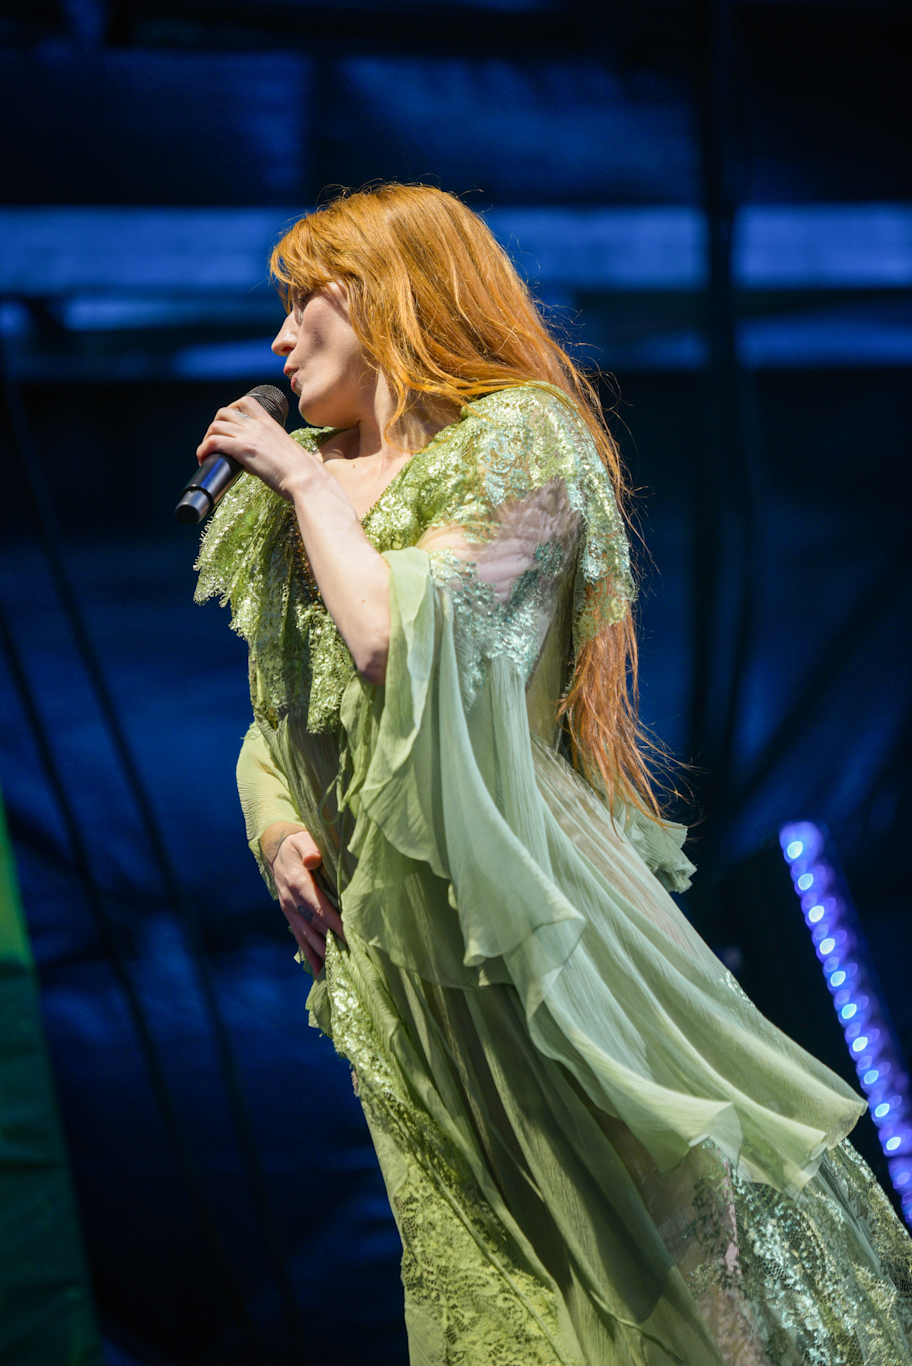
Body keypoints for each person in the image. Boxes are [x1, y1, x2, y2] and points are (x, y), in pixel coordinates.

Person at [193, 183, 912, 1365]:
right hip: (404, 961)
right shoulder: (301, 488)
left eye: (299, 302)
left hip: (528, 912)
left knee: (658, 1230)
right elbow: (275, 719)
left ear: (387, 292)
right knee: (492, 1264)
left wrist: (306, 483)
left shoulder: (522, 443)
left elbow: (399, 645)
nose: (276, 340)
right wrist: (280, 836)